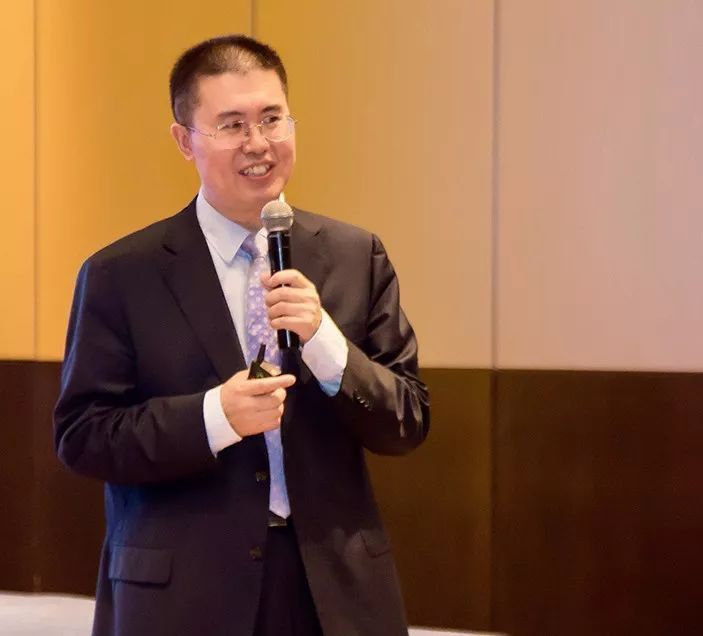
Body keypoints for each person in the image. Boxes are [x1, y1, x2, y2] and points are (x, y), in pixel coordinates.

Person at [53, 34, 429, 636]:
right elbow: (83, 436)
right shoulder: (121, 274)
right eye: (232, 125)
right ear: (185, 140)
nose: (258, 143)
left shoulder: (356, 256)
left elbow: (407, 420)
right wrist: (214, 417)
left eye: (272, 118)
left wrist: (326, 344)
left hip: (332, 593)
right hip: (185, 596)